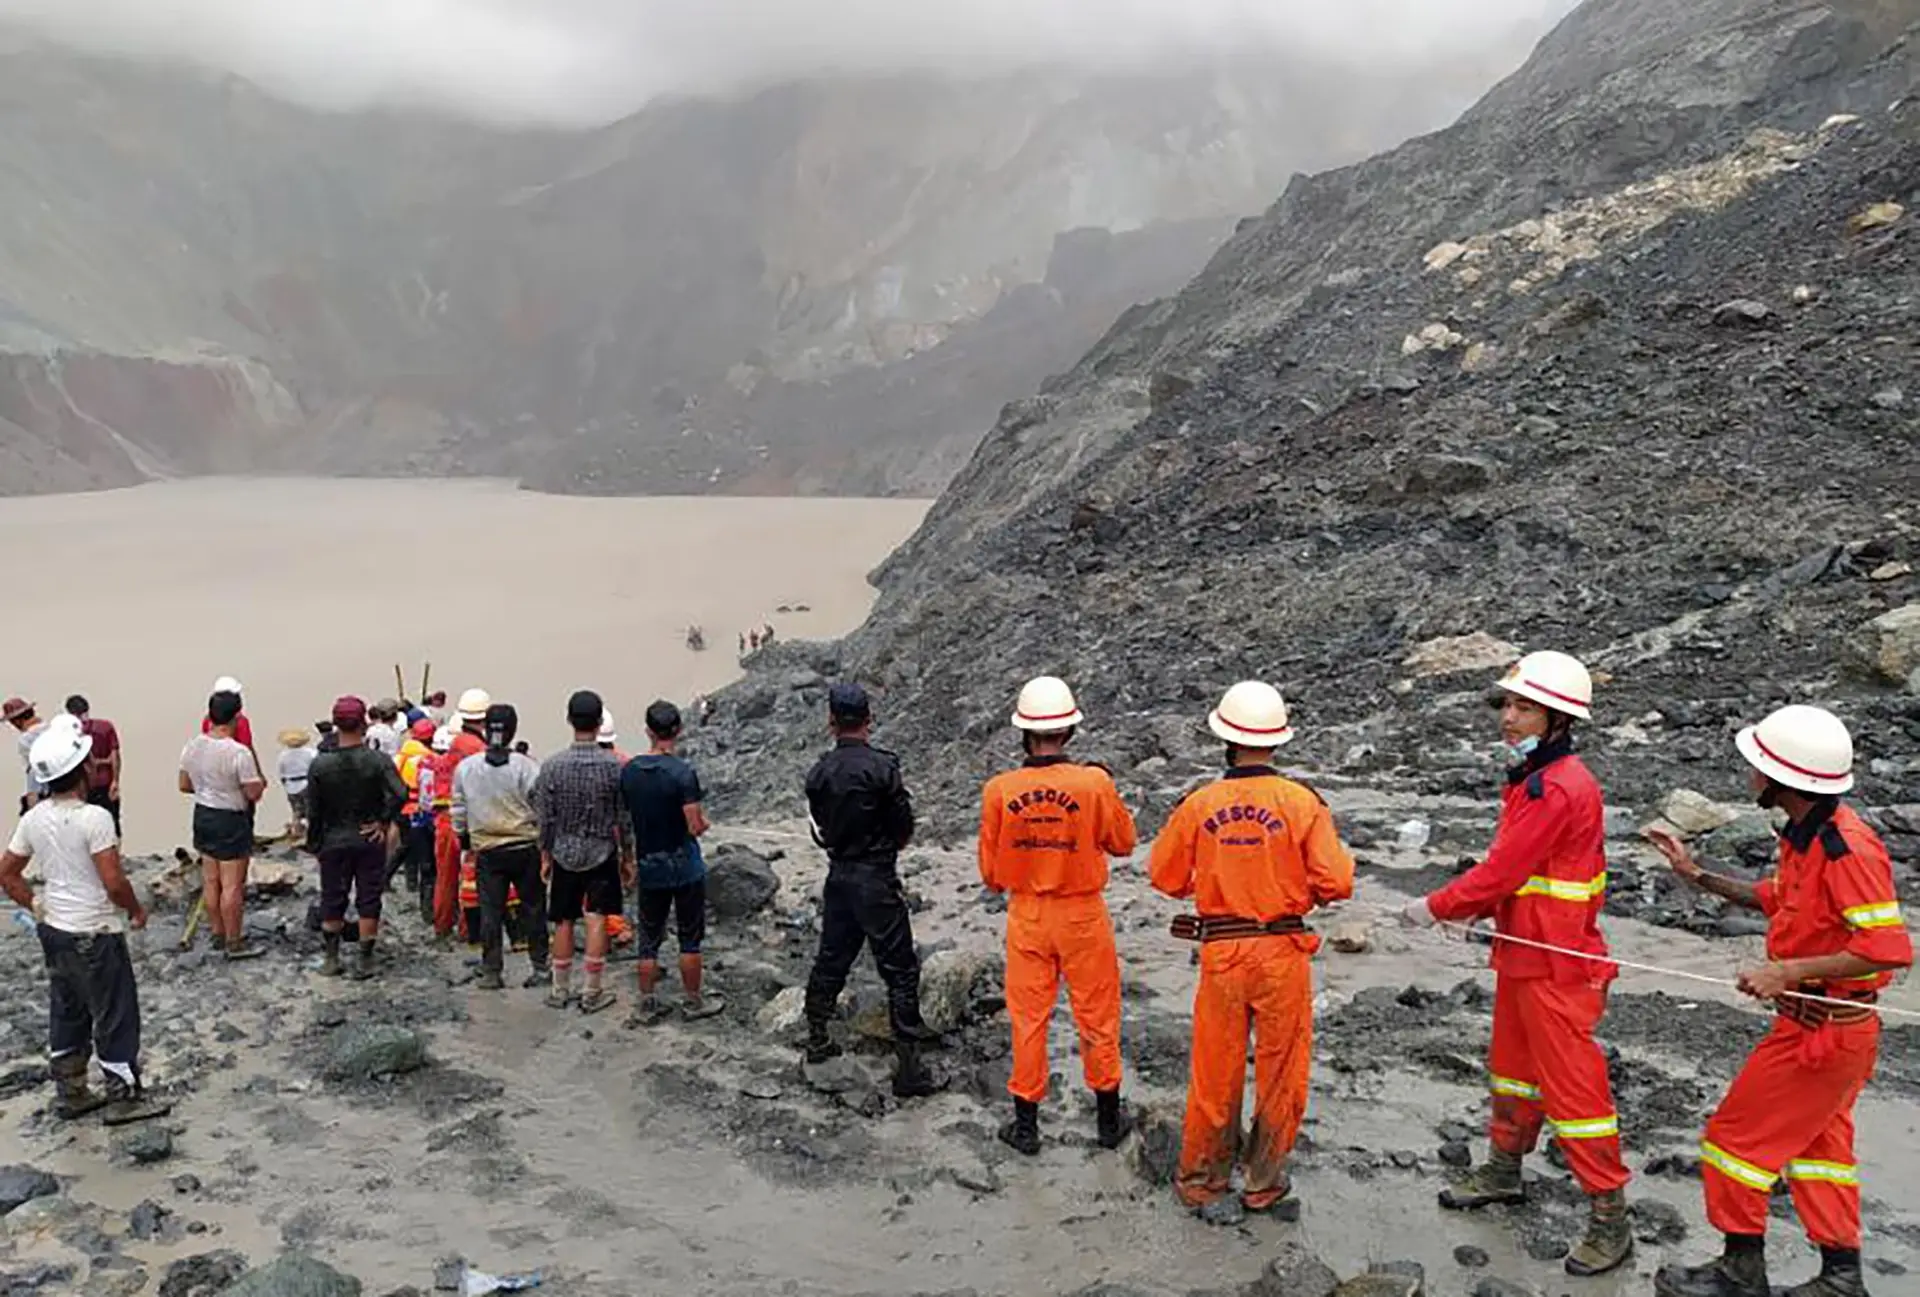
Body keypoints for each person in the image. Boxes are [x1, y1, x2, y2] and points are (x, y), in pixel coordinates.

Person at [1649, 705, 1912, 1297]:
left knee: (1733, 1141)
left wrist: (1786, 971)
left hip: (1823, 1032)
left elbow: (1889, 949)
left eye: (1756, 766)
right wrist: (1698, 876)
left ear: (1782, 778)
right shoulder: (1808, 836)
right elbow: (1780, 900)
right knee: (1820, 1151)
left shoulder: (1847, 848)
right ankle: (1841, 1279)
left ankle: (1741, 1273)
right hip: (1827, 1028)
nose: (1748, 775)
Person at [1399, 651, 1631, 1276]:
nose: (1508, 716)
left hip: (1559, 965)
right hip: (1526, 955)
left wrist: (1437, 907)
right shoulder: (1532, 777)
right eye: (1506, 704)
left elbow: (1505, 869)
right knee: (1513, 1073)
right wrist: (1483, 912)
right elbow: (1521, 874)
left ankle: (1611, 1218)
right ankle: (1504, 1169)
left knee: (1576, 1097)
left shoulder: (1556, 786)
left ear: (1557, 718)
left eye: (1524, 707)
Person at [1148, 681, 1354, 1224]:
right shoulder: (1302, 803)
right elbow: (1337, 881)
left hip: (1221, 952)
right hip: (1282, 950)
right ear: (1277, 741)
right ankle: (1263, 1182)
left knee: (1214, 1070)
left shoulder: (1199, 804)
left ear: (1225, 739)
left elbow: (1163, 876)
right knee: (1281, 1070)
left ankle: (1202, 1179)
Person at [978, 676, 1138, 1155]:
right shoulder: (1093, 783)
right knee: (1098, 1017)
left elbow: (989, 872)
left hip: (1027, 915)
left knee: (1028, 1020)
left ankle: (1026, 1127)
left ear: (1023, 733)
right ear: (1068, 731)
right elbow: (1124, 843)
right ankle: (1108, 1123)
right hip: (1083, 914)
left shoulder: (1000, 790)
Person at [0, 724, 168, 1125]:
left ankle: (72, 1089)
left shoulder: (34, 817)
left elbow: (8, 872)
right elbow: (113, 880)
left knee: (68, 1008)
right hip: (94, 931)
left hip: (54, 929)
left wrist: (36, 903)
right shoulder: (95, 818)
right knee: (115, 1012)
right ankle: (123, 1095)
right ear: (82, 771)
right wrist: (135, 909)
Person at [801, 683, 939, 1097]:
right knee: (899, 968)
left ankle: (818, 1039)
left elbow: (819, 832)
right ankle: (910, 1069)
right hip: (877, 877)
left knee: (832, 959)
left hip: (840, 876)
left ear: (831, 721)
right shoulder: (884, 769)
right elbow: (903, 827)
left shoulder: (819, 773)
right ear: (868, 719)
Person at [531, 690, 633, 1014]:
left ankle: (560, 989)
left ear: (569, 720)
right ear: (600, 721)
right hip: (602, 850)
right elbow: (623, 817)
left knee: (562, 920)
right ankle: (592, 991)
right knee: (597, 919)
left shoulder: (552, 766)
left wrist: (545, 854)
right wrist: (627, 855)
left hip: (564, 851)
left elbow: (545, 818)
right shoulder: (614, 768)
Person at [620, 700, 720, 1025]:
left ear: (648, 730)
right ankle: (693, 1001)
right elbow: (694, 825)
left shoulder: (631, 772)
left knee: (648, 938)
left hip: (649, 864)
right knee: (690, 938)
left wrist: (628, 857)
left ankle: (647, 1002)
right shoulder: (682, 773)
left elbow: (625, 819)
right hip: (684, 865)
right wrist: (704, 824)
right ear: (678, 730)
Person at [304, 696, 407, 979]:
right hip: (368, 837)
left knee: (332, 896)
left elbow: (314, 810)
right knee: (368, 895)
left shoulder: (320, 765)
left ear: (335, 724)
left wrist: (314, 843)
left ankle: (331, 957)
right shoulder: (377, 760)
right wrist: (383, 821)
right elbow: (401, 793)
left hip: (333, 837)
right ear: (363, 723)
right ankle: (365, 958)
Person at [453, 704, 548, 991]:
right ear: (513, 730)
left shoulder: (467, 768)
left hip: (488, 849)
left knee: (490, 911)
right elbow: (541, 806)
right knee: (533, 909)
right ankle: (541, 967)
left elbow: (458, 809)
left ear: (484, 728)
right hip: (524, 846)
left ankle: (492, 971)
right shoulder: (527, 766)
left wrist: (465, 840)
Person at [179, 690, 267, 960]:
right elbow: (252, 793)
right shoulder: (239, 753)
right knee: (232, 885)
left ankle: (217, 932)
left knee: (211, 879)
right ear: (236, 717)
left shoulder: (192, 746)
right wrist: (260, 784)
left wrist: (207, 788)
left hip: (203, 814)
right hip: (230, 818)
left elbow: (184, 784)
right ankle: (234, 941)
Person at [431, 689, 491, 941]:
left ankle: (442, 927)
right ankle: (469, 931)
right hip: (468, 821)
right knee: (471, 878)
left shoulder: (453, 745)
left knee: (445, 878)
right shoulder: (479, 749)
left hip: (445, 819)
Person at [65, 696, 121, 839]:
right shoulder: (105, 726)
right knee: (111, 822)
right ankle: (115, 856)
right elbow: (115, 756)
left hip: (82, 786)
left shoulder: (70, 733)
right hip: (106, 782)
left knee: (83, 826)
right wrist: (115, 781)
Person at [393, 718, 436, 890]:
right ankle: (411, 884)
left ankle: (408, 881)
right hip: (417, 807)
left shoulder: (400, 755)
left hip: (399, 805)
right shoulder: (427, 759)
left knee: (407, 845)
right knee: (413, 848)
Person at [5, 697, 49, 815]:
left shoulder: (25, 739)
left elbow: (33, 770)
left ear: (17, 721)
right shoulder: (50, 727)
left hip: (43, 793)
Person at [277, 727, 317, 842]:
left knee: (296, 810)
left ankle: (296, 832)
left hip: (290, 785)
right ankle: (310, 835)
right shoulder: (311, 753)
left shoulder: (283, 755)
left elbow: (281, 774)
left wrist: (286, 786)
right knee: (310, 810)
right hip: (306, 783)